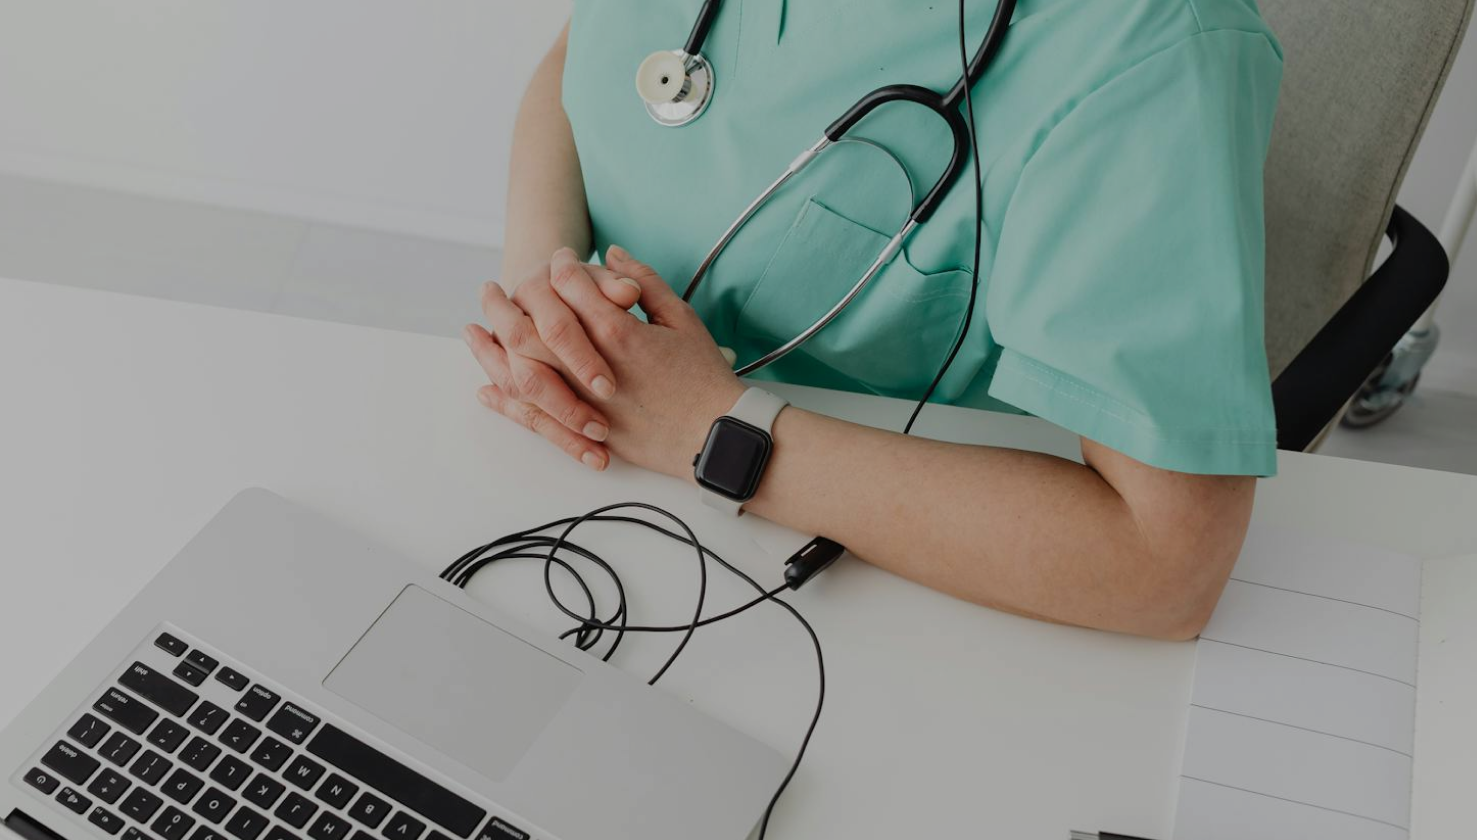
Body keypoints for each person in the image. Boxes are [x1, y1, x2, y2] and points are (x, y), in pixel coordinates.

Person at [460, 0, 1285, 640]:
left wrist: (715, 433)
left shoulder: (1154, 45)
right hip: (570, 486)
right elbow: (583, 56)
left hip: (880, 594)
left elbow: (1169, 565)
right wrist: (548, 288)